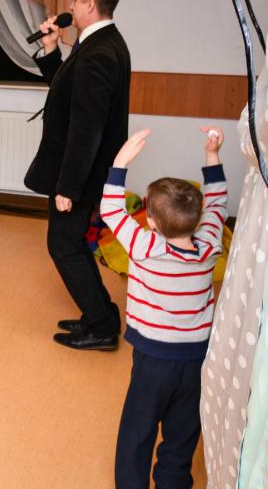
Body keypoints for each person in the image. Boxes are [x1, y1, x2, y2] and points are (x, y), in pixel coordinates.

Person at [100, 128, 226, 488]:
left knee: (138, 428)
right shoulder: (210, 246)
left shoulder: (144, 247)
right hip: (196, 359)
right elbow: (218, 204)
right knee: (183, 432)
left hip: (153, 360)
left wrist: (121, 160)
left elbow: (110, 208)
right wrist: (212, 154)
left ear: (151, 221)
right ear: (197, 219)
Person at [25, 0, 131, 351]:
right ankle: (101, 314)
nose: (69, 6)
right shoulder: (100, 43)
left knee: (64, 246)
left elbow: (87, 129)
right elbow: (68, 91)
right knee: (71, 243)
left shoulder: (99, 52)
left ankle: (100, 326)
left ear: (89, 3)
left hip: (80, 175)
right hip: (84, 171)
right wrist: (52, 49)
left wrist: (67, 187)